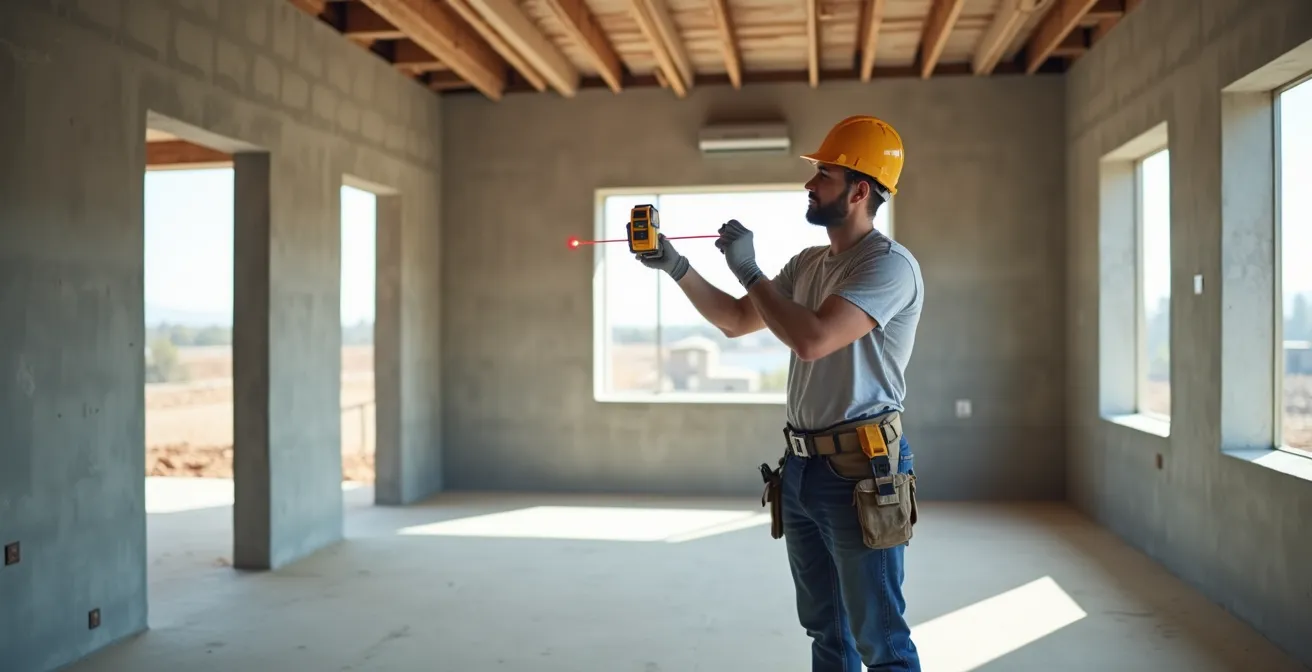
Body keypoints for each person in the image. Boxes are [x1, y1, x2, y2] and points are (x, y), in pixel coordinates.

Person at [634, 115, 924, 671]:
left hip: (864, 470)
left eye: (824, 176)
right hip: (801, 469)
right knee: (827, 633)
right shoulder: (809, 263)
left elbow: (812, 340)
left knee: (880, 641)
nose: (810, 185)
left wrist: (748, 268)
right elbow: (738, 320)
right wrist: (677, 266)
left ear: (860, 190)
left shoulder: (888, 267)